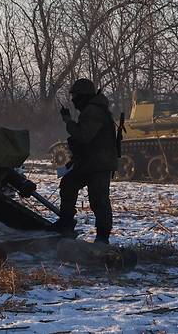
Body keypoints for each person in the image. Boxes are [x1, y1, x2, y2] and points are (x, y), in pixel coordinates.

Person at [52, 77, 118, 243]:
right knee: (68, 185)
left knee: (99, 200)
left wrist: (68, 122)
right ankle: (66, 223)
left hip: (98, 164)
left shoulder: (93, 111)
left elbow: (83, 136)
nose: (74, 100)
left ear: (83, 96)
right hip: (90, 162)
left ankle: (102, 238)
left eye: (75, 96)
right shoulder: (93, 109)